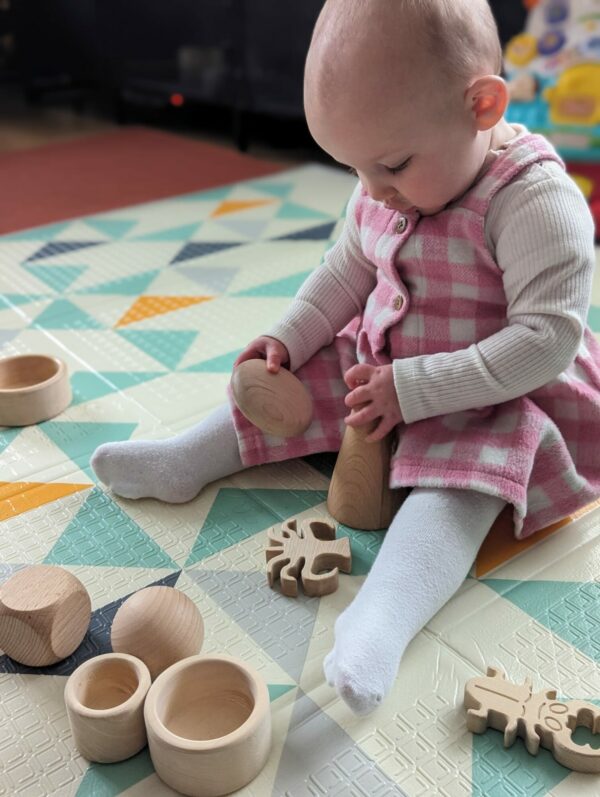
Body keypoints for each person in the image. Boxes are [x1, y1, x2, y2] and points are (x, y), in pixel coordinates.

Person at [91, 0, 600, 715]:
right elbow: (346, 269)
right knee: (306, 375)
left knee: (467, 475)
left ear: (482, 106)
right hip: (385, 363)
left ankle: (382, 618)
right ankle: (185, 459)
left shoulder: (534, 203)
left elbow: (546, 342)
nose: (371, 190)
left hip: (495, 388)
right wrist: (290, 336)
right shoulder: (386, 178)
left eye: (389, 165)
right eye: (354, 167)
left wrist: (417, 389)